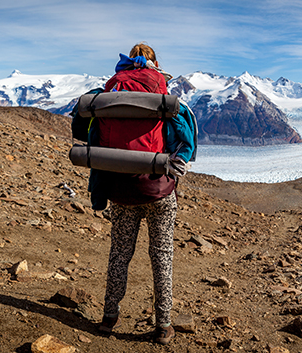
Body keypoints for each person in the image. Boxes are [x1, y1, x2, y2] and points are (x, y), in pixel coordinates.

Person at [80, 43, 195, 345]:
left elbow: (86, 132)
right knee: (162, 256)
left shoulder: (110, 93)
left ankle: (108, 319)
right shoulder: (161, 93)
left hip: (121, 188)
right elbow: (186, 140)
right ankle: (164, 326)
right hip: (158, 189)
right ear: (155, 64)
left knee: (119, 254)